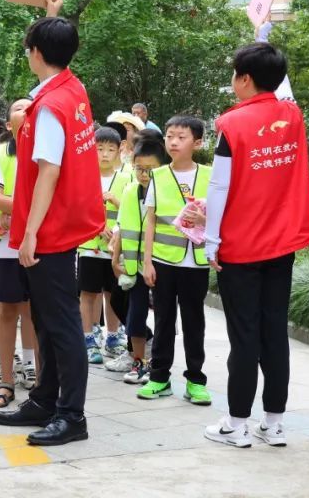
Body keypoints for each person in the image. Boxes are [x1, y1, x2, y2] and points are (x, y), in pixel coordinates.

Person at [203, 43, 309, 449]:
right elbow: (282, 93)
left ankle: (236, 424)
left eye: (235, 73)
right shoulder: (293, 116)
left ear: (244, 79)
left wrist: (210, 240)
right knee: (273, 332)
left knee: (244, 336)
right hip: (282, 244)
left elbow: (218, 187)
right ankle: (274, 422)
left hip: (241, 246)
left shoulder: (232, 125)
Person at [2, 0, 103, 447]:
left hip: (51, 230)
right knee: (46, 319)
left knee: (60, 324)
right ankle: (44, 399)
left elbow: (49, 172)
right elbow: (57, 55)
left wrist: (29, 235)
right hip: (66, 223)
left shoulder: (47, 110)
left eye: (30, 48)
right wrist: (52, 17)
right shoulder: (72, 90)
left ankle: (71, 415)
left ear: (37, 55)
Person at [139, 116, 212, 407]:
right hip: (164, 261)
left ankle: (196, 380)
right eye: (169, 136)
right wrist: (146, 262)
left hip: (196, 263)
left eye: (181, 137)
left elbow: (224, 216)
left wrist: (204, 219)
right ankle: (159, 377)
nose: (173, 142)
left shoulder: (211, 175)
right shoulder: (157, 176)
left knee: (195, 322)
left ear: (197, 142)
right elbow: (151, 221)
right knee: (163, 320)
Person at [0, 99, 38, 412]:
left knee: (36, 310)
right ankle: (6, 379)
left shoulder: (48, 150)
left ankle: (37, 374)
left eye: (32, 107)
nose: (27, 110)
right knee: (7, 310)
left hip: (42, 242)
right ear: (8, 124)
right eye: (20, 108)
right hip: (6, 246)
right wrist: (21, 213)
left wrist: (13, 212)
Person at [107, 132, 169, 385]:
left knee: (165, 317)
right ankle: (139, 361)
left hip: (163, 264)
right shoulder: (131, 191)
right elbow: (122, 225)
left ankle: (159, 365)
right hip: (134, 267)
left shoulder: (168, 191)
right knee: (135, 314)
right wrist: (115, 258)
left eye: (150, 169)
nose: (144, 174)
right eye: (139, 169)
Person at [77, 127, 130, 365]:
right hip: (88, 246)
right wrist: (97, 227)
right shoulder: (83, 176)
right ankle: (87, 339)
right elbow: (76, 211)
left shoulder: (126, 178)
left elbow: (131, 210)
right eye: (99, 149)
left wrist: (114, 200)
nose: (105, 154)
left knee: (112, 293)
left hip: (115, 249)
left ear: (120, 150)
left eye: (110, 149)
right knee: (88, 293)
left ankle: (112, 337)